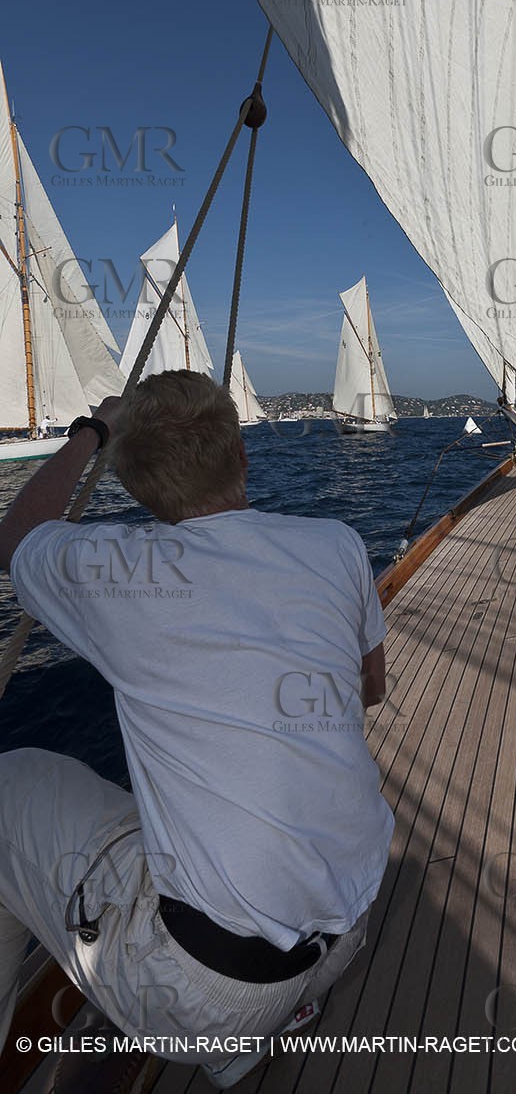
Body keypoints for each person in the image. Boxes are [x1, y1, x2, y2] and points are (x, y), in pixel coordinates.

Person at [0, 371, 393, 1088]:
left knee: (11, 782)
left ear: (139, 489)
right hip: (347, 929)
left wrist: (93, 433)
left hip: (205, 996)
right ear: (241, 457)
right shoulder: (335, 543)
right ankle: (276, 1014)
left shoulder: (118, 572)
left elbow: (18, 536)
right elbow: (371, 688)